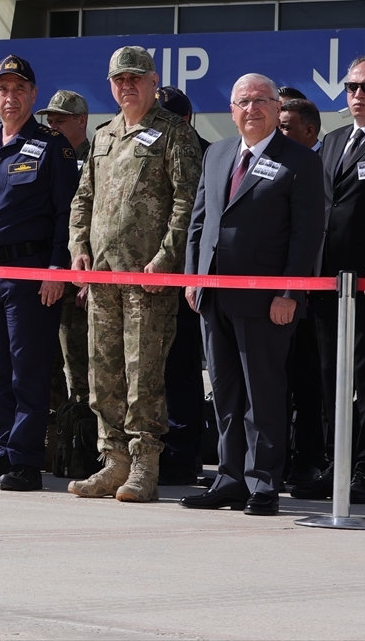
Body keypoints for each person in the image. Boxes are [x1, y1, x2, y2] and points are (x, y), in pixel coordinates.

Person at [180, 74, 324, 516]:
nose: (252, 108)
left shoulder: (299, 161)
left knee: (263, 394)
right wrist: (193, 276)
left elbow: (307, 236)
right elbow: (199, 221)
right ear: (231, 109)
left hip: (266, 301)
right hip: (213, 295)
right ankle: (229, 479)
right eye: (243, 101)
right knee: (225, 393)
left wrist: (289, 293)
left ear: (277, 107)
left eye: (261, 100)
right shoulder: (219, 153)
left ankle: (263, 483)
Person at [67, 46, 202, 503]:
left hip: (148, 279)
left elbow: (187, 202)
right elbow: (82, 198)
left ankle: (145, 466)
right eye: (119, 80)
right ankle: (114, 461)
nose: (127, 86)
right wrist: (78, 249)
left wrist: (166, 258)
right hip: (103, 279)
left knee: (143, 376)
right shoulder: (104, 136)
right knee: (103, 374)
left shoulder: (174, 134)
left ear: (152, 81)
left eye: (135, 78)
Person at [0, 56, 80, 490]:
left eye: (19, 89)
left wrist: (56, 269)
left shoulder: (52, 146)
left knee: (28, 370)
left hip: (29, 273)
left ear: (32, 95)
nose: (10, 97)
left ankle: (25, 461)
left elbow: (67, 213)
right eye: (3, 89)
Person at [294, 56, 365, 505]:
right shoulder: (332, 142)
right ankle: (337, 466)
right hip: (328, 284)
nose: (357, 94)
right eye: (352, 86)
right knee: (331, 377)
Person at [154, 85, 210, 486]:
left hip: (183, 280)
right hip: (143, 279)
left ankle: (181, 455)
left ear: (185, 120)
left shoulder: (208, 153)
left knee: (181, 372)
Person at [277, 96, 325, 487]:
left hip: (320, 290)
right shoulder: (276, 162)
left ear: (309, 131)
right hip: (279, 292)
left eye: (287, 127)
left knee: (311, 383)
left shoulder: (318, 161)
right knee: (281, 381)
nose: (280, 133)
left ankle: (309, 462)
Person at [35, 90, 90, 408]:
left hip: (79, 279)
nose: (53, 126)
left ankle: (81, 441)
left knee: (79, 363)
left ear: (82, 120)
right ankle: (54, 437)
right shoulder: (44, 157)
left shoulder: (96, 157)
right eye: (50, 120)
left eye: (61, 120)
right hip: (47, 275)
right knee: (49, 362)